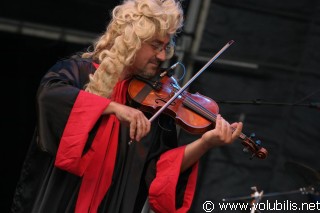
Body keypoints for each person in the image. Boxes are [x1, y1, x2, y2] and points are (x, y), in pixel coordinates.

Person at [11, 0, 243, 212]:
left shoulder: (154, 103)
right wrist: (114, 107)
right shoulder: (79, 72)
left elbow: (159, 170)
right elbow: (50, 96)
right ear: (132, 40)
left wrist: (205, 143)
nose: (163, 55)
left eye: (166, 45)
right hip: (62, 201)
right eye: (155, 45)